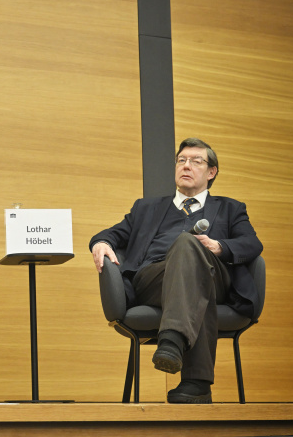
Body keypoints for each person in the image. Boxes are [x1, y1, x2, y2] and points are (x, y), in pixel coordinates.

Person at [89, 138, 262, 404]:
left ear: (211, 172)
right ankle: (196, 383)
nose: (186, 165)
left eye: (196, 161)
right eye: (182, 160)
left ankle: (171, 340)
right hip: (154, 279)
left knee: (188, 247)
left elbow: (252, 244)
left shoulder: (231, 208)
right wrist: (100, 243)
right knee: (192, 272)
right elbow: (112, 234)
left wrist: (218, 246)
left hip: (215, 278)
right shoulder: (146, 208)